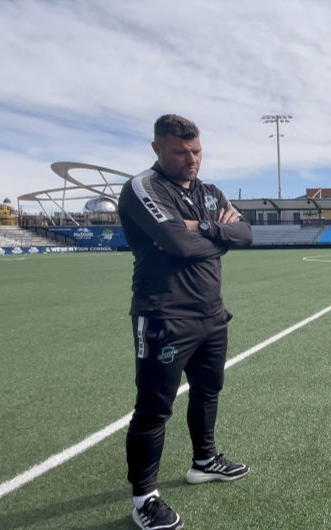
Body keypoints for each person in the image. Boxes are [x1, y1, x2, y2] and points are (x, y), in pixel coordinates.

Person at [118, 114, 253, 530]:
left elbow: (245, 234)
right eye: (181, 151)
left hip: (212, 314)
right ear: (158, 149)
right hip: (165, 315)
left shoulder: (210, 193)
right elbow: (177, 245)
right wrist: (215, 238)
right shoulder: (144, 188)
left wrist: (202, 229)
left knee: (208, 390)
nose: (191, 159)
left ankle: (205, 460)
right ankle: (145, 497)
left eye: (196, 151)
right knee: (154, 409)